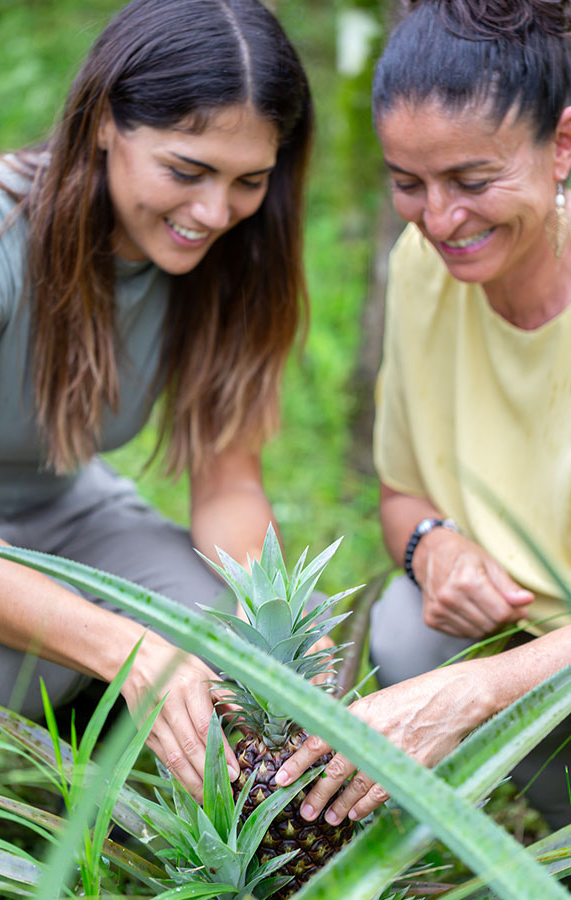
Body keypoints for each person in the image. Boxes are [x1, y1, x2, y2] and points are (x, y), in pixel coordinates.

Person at [0, 0, 313, 801]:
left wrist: (266, 652)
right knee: (9, 666)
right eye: (186, 170)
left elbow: (230, 485)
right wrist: (123, 646)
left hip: (68, 516)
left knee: (247, 645)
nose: (212, 213)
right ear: (103, 122)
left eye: (248, 181)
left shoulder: (235, 254)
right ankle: (93, 690)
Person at [275, 0, 571, 832]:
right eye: (409, 183)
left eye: (474, 182)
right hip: (524, 650)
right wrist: (430, 546)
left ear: (562, 146)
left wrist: (473, 691)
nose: (440, 221)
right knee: (409, 628)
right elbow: (401, 493)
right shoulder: (422, 266)